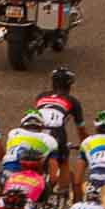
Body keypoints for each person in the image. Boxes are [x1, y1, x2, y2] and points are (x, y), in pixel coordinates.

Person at [34, 66, 87, 200]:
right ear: (69, 85)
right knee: (63, 162)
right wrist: (86, 146)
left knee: (33, 157)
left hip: (35, 129)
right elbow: (80, 129)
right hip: (56, 131)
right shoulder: (73, 101)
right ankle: (62, 194)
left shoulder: (41, 96)